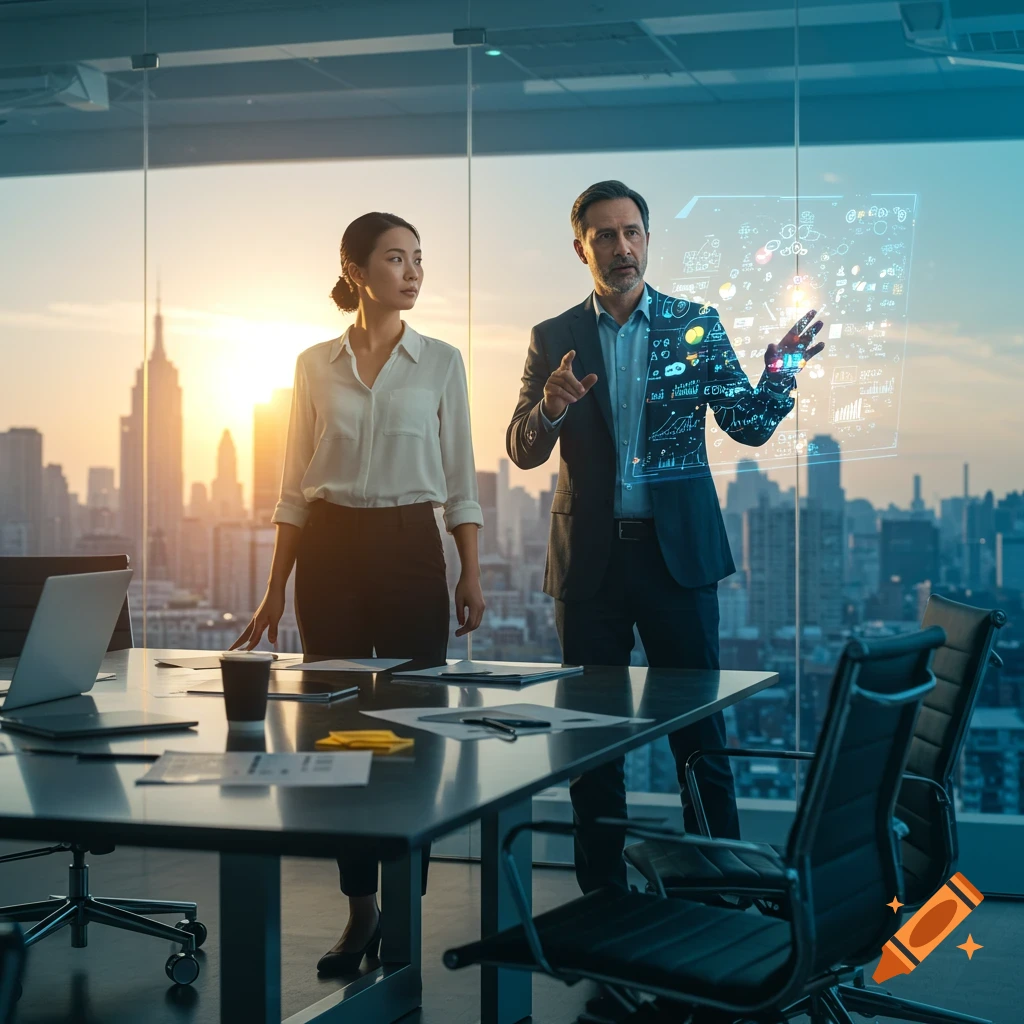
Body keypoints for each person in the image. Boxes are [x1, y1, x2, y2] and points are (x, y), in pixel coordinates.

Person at [506, 180, 823, 895]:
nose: (622, 247)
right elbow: (522, 450)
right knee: (591, 740)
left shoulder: (694, 324)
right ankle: (602, 901)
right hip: (590, 567)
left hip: (678, 561)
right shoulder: (552, 337)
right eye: (605, 235)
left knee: (699, 738)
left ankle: (721, 895)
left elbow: (747, 424)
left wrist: (780, 374)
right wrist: (549, 409)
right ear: (581, 248)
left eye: (633, 232)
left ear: (647, 239)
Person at [232, 211, 485, 975]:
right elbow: (292, 491)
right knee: (337, 737)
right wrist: (275, 589)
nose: (413, 272)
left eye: (419, 258)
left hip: (412, 549)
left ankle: (403, 911)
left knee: (413, 736)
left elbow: (462, 482)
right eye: (396, 258)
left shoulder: (442, 362)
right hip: (331, 553)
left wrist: (470, 570)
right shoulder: (314, 365)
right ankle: (362, 910)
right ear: (356, 272)